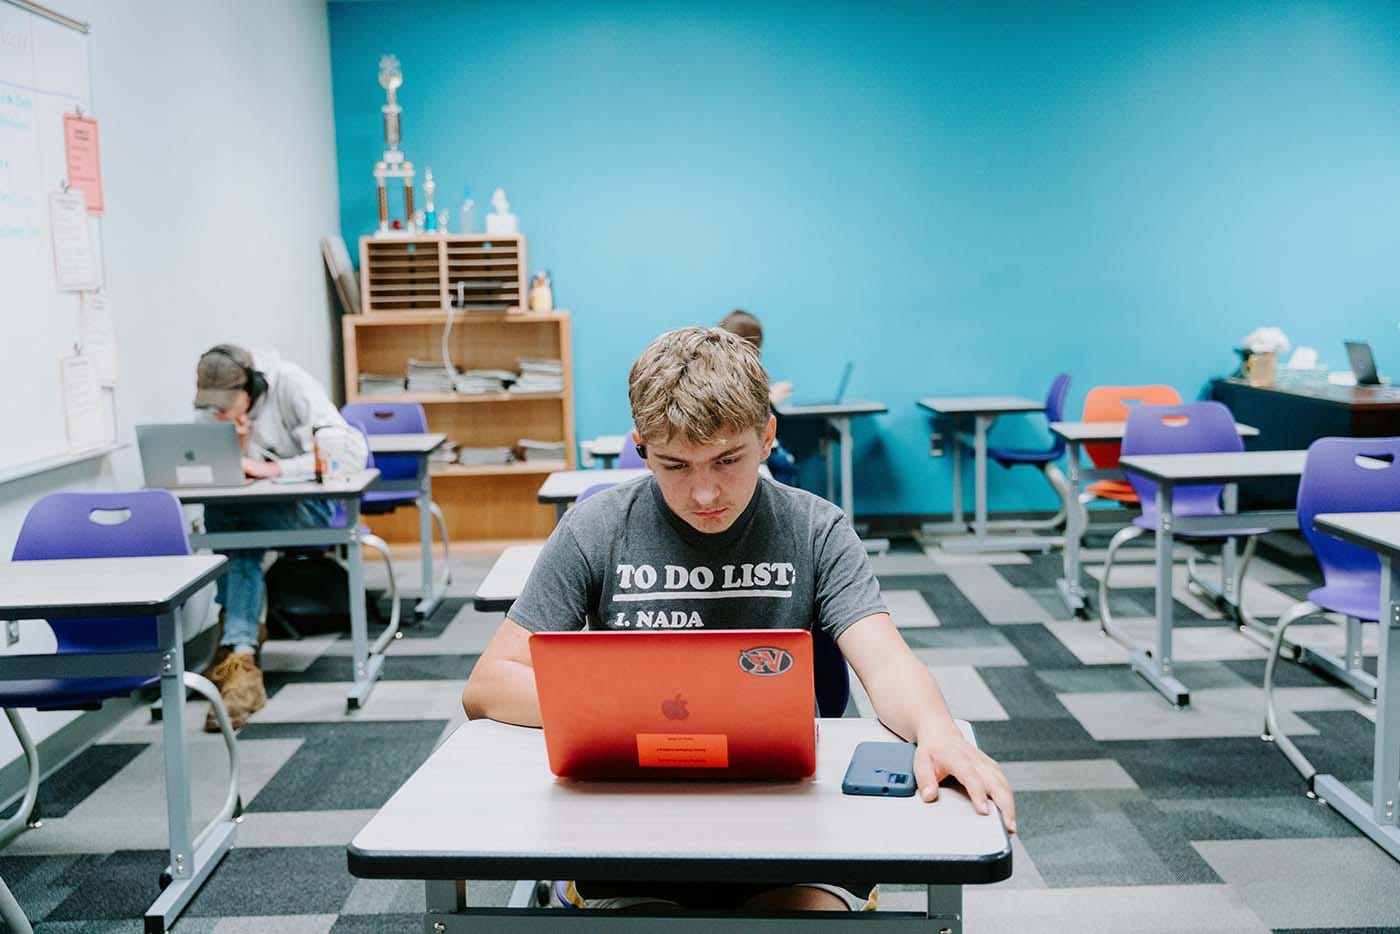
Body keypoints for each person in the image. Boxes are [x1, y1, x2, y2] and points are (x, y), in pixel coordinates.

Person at [462, 326, 1015, 913]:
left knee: (802, 920)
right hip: (635, 813)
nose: (704, 493)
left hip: (791, 812)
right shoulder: (596, 529)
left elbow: (885, 660)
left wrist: (937, 731)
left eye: (727, 459)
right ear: (641, 446)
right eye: (675, 464)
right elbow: (488, 685)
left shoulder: (815, 528)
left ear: (768, 436)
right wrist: (628, 710)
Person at [192, 344, 366, 731]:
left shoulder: (294, 386)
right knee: (228, 519)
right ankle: (240, 650)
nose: (216, 413)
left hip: (311, 509)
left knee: (233, 522)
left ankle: (236, 650)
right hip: (248, 512)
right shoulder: (216, 411)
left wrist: (271, 468)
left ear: (252, 387)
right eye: (211, 406)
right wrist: (233, 448)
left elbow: (346, 456)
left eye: (225, 404)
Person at [717, 309, 799, 485]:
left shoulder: (723, 371)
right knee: (785, 465)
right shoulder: (736, 373)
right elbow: (739, 409)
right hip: (755, 451)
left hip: (749, 448)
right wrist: (770, 398)